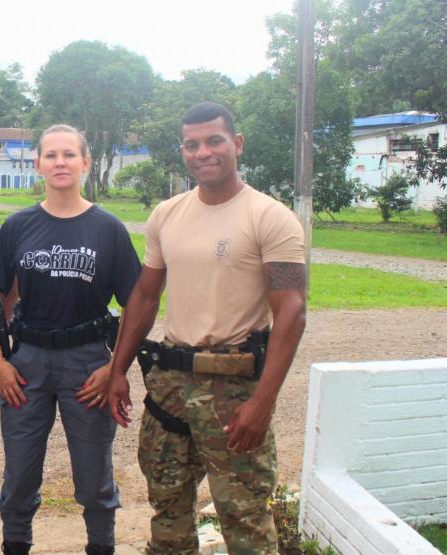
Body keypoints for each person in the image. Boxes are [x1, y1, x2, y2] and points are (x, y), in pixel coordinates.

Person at [104, 101, 307, 555]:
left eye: (214, 141)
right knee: (168, 507)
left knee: (244, 516)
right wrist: (117, 370)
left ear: (236, 144)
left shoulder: (269, 217)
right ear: (183, 151)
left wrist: (264, 402)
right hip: (170, 385)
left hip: (234, 387)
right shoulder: (167, 214)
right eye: (192, 144)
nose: (204, 152)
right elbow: (144, 296)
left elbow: (292, 312)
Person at [0, 124, 142, 555]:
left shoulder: (108, 229)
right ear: (37, 165)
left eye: (69, 155)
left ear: (86, 162)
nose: (60, 162)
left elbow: (136, 306)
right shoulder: (19, 226)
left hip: (87, 362)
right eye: (51, 155)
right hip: (27, 361)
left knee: (94, 477)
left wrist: (115, 367)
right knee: (20, 475)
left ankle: (100, 547)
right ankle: (16, 545)